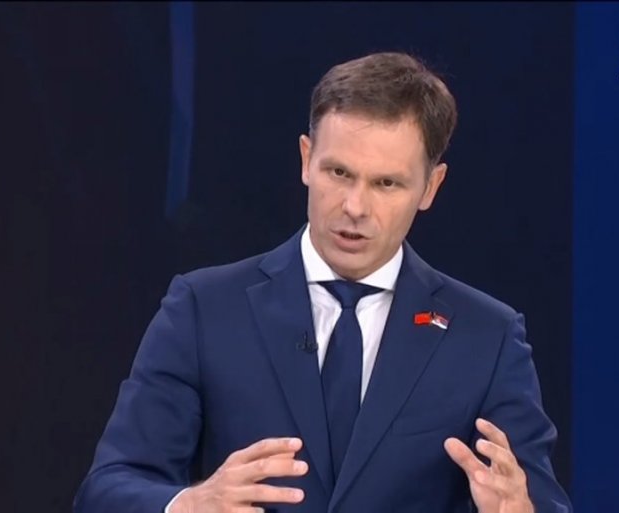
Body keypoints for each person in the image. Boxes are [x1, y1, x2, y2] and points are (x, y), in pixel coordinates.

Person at [73, 52, 571, 513]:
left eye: (386, 183)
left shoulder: (486, 338)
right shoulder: (204, 308)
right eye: (338, 172)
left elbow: (541, 500)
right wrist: (187, 505)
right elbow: (107, 488)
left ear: (430, 187)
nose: (355, 206)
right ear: (306, 159)